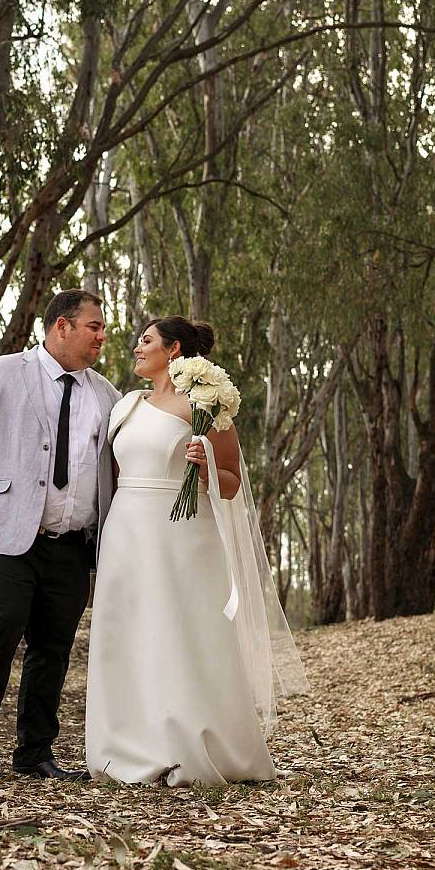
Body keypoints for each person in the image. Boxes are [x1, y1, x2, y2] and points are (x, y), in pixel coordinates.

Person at [85, 315, 307, 786]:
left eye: (146, 341)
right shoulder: (127, 406)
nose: (135, 348)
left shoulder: (204, 406)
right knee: (128, 632)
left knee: (179, 633)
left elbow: (231, 482)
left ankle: (188, 742)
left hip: (182, 533)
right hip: (127, 532)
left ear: (174, 350)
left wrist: (204, 464)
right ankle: (125, 743)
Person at [0, 289, 120, 781]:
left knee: (54, 646)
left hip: (73, 543)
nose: (102, 337)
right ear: (61, 326)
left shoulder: (105, 394)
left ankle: (35, 753)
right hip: (6, 536)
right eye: (94, 327)